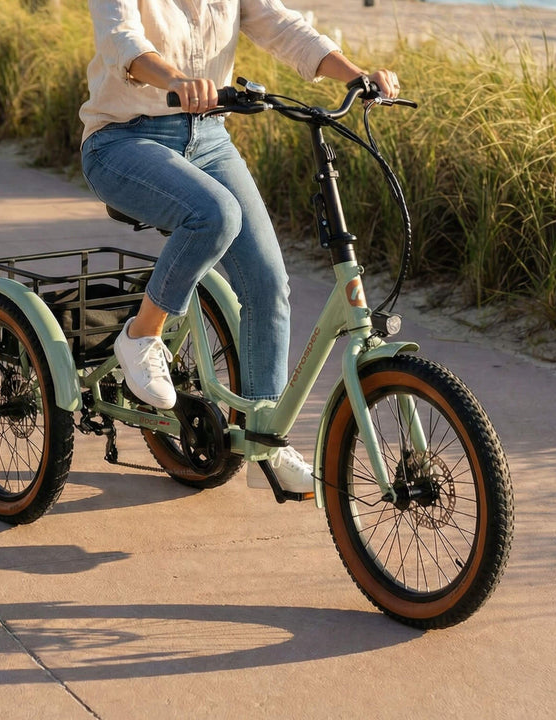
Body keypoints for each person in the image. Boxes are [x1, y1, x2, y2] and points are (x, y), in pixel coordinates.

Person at [80, 0, 400, 494]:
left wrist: (355, 75)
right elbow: (123, 41)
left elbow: (282, 26)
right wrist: (175, 80)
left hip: (209, 138)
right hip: (122, 140)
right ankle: (141, 337)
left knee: (269, 282)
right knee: (214, 214)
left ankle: (264, 437)